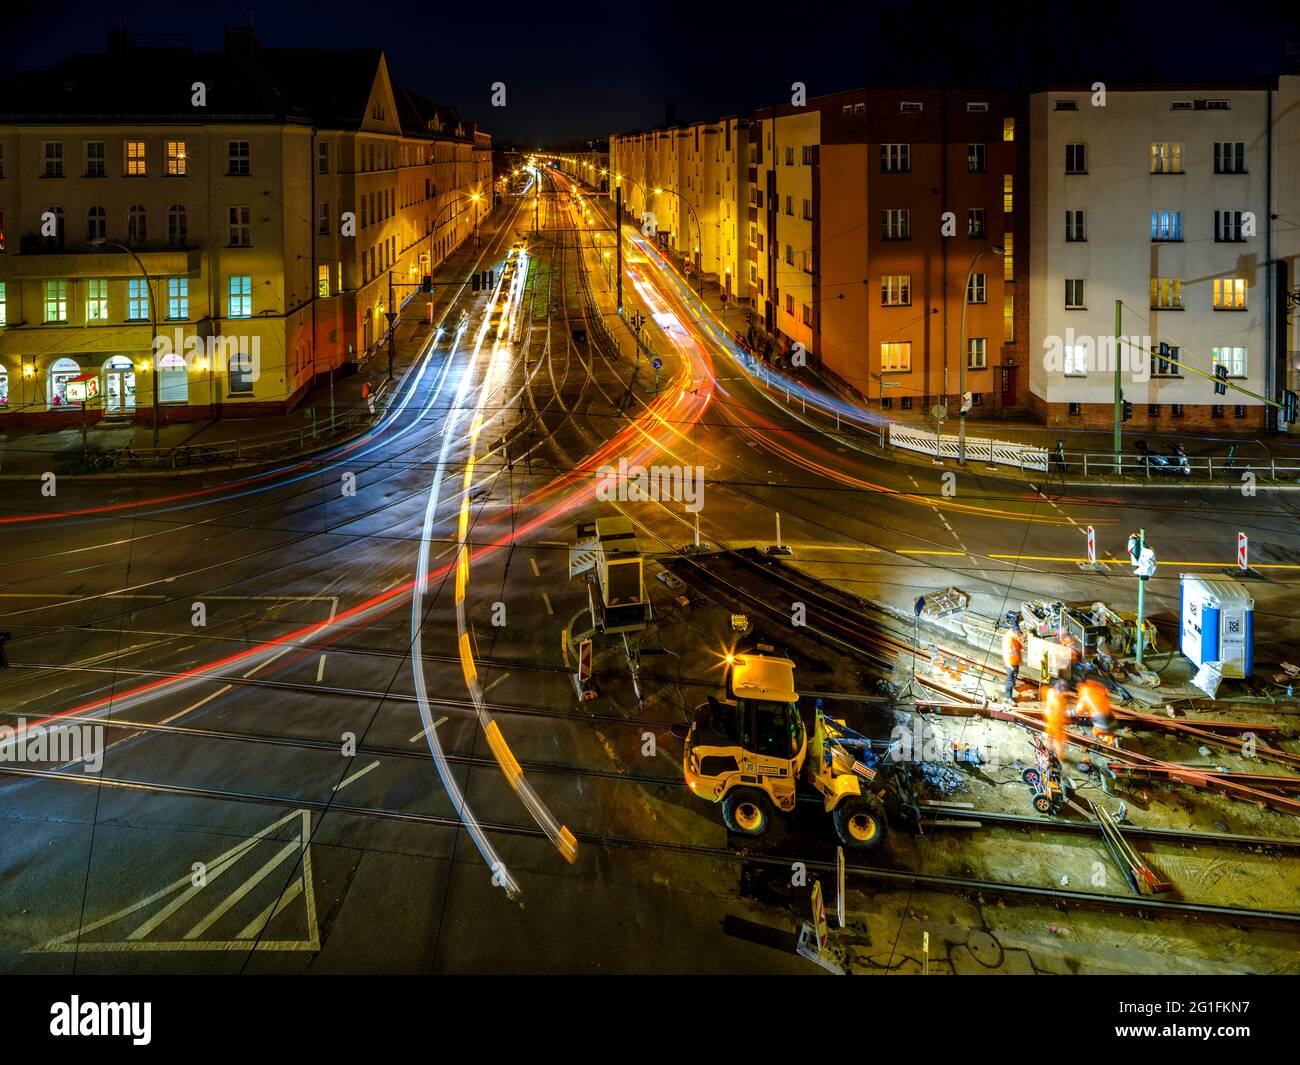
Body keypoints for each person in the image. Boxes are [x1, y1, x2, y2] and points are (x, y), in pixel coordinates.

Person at [1076, 679, 1116, 744]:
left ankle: (1108, 742)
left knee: (1095, 732)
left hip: (1102, 724)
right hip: (1112, 719)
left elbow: (1078, 711)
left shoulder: (1084, 697)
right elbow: (1106, 692)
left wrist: (1067, 713)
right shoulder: (1095, 687)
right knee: (1108, 730)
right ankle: (1111, 737)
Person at [1001, 623, 1024, 703]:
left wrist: (1021, 639)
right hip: (1010, 663)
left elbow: (1020, 646)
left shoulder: (1014, 636)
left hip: (1015, 661)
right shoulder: (1008, 639)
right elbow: (1006, 652)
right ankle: (1008, 697)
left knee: (1014, 676)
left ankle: (1012, 687)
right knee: (1010, 679)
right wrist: (1008, 664)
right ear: (1014, 631)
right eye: (1018, 633)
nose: (1019, 634)